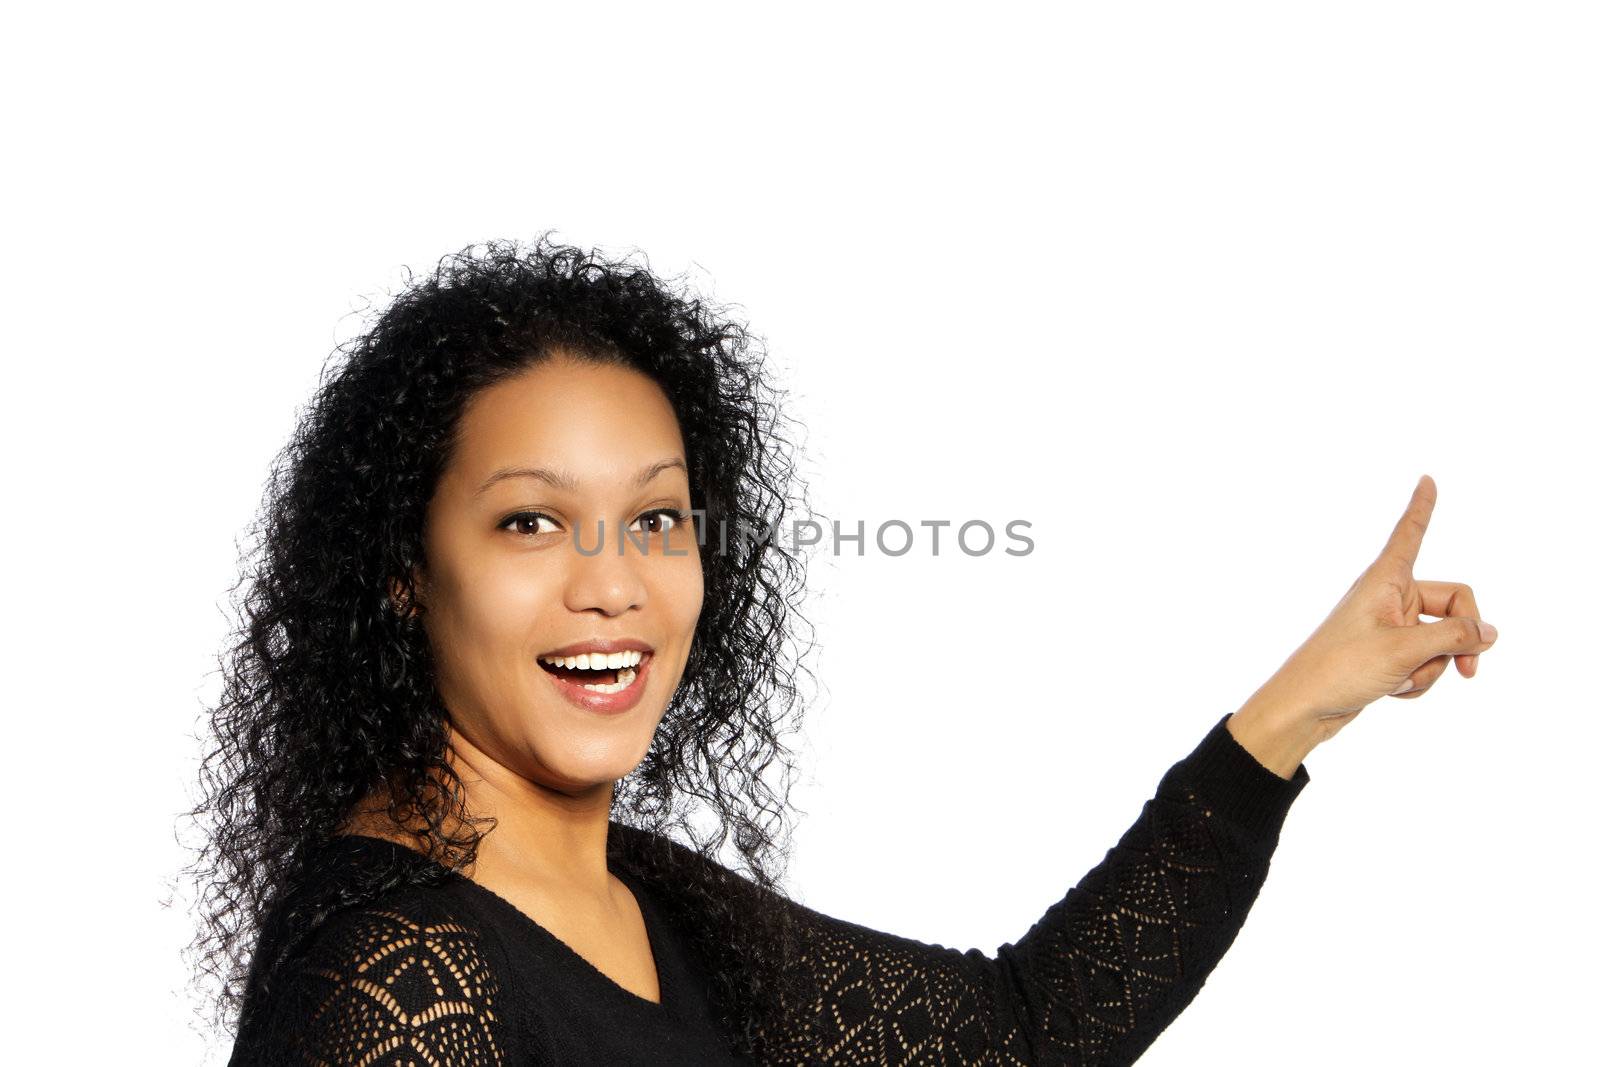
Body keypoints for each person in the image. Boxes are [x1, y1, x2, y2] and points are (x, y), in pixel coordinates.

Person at [184, 236, 1497, 1066]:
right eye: (530, 521)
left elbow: (1023, 1034)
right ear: (407, 576)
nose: (612, 586)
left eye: (654, 519)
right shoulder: (395, 978)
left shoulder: (643, 903)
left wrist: (1302, 707)